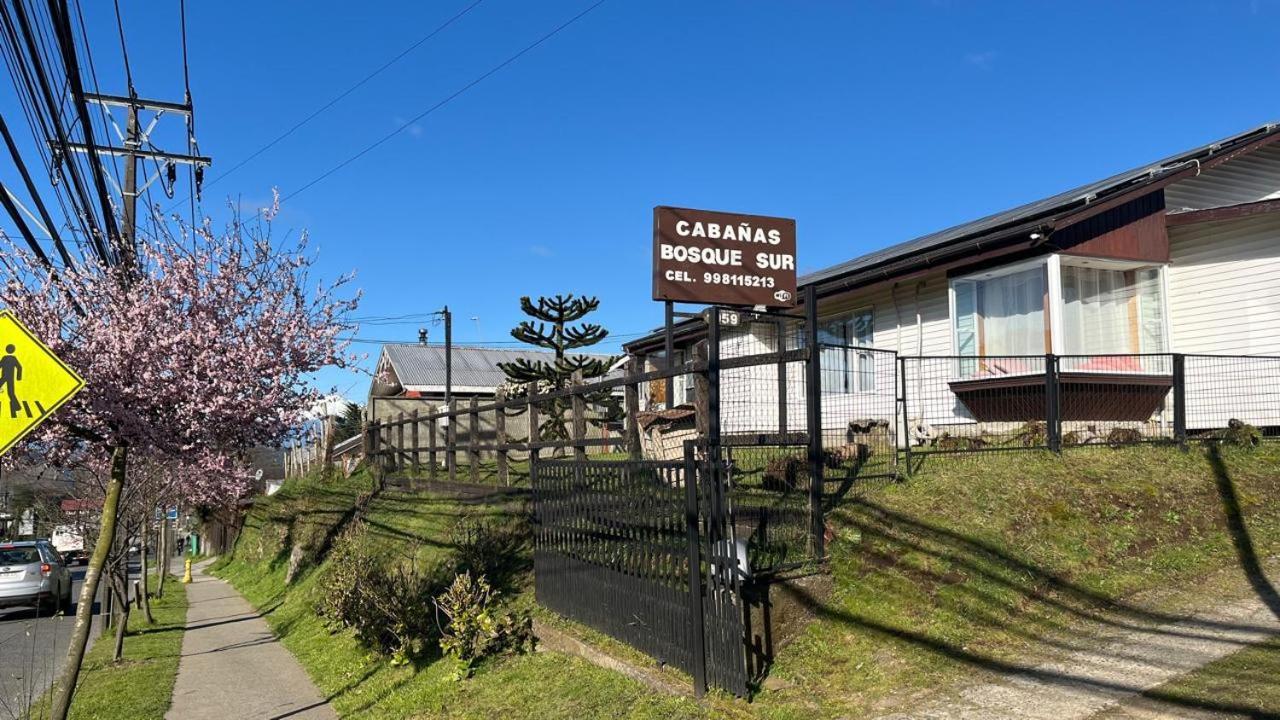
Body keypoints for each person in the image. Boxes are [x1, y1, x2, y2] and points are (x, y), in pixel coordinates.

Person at [0, 344, 21, 418]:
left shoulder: (5, 358)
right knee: (11, 392)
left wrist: (18, 377)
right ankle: (17, 406)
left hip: (5, 377)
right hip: (10, 378)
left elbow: (0, 365)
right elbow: (19, 367)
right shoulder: (13, 358)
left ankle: (17, 406)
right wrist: (18, 377)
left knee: (11, 392)